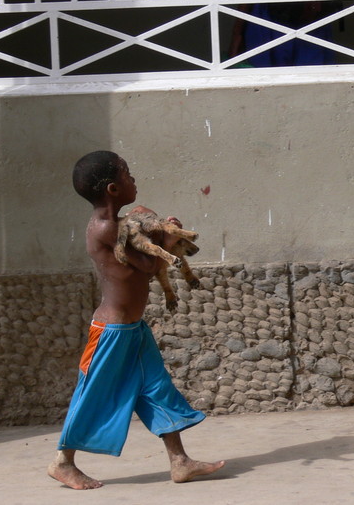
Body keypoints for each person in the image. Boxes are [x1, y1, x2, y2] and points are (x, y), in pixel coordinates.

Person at [48, 151, 224, 490]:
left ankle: (180, 461)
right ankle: (63, 462)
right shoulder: (106, 229)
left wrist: (163, 234)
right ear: (113, 188)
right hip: (111, 333)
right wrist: (165, 240)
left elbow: (146, 252)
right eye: (128, 175)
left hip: (131, 329)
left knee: (156, 388)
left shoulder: (120, 224)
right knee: (94, 393)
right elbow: (145, 267)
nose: (134, 180)